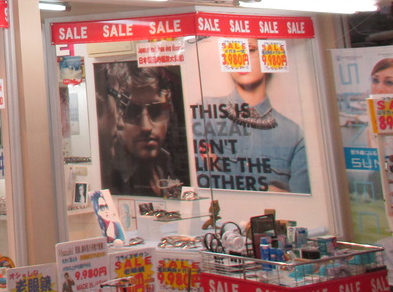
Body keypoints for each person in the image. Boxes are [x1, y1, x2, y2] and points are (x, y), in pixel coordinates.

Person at [197, 40, 309, 193]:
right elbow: (202, 182)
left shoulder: (293, 133)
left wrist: (225, 176)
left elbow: (302, 200)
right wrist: (268, 189)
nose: (241, 59)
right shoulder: (206, 110)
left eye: (250, 50)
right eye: (233, 51)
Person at [100, 62, 183, 197]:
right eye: (132, 113)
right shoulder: (111, 178)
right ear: (115, 116)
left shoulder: (167, 163)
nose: (146, 127)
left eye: (156, 111)